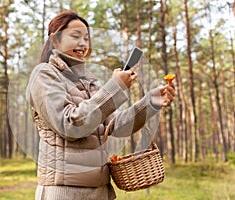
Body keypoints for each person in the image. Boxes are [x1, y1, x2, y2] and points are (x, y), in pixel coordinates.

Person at [26, 10, 175, 200]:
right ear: (55, 41)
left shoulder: (89, 81)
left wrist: (151, 102)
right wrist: (116, 86)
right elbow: (69, 125)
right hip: (64, 192)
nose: (82, 44)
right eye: (75, 36)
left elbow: (116, 125)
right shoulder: (45, 74)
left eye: (86, 38)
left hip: (101, 191)